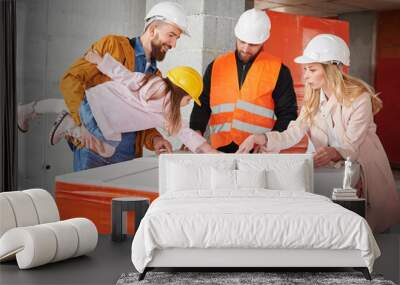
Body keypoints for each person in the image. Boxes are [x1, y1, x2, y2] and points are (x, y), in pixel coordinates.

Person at [237, 34, 400, 233]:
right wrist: (261, 137)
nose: (305, 75)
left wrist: (333, 152)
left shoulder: (359, 99)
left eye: (312, 70)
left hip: (363, 165)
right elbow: (293, 133)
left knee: (365, 229)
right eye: (306, 69)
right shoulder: (314, 98)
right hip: (333, 167)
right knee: (331, 226)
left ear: (331, 70)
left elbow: (352, 147)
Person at [18, 1, 189, 171]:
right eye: (171, 35)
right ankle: (34, 111)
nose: (174, 44)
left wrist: (155, 140)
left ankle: (32, 110)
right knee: (85, 199)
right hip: (92, 150)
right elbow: (72, 79)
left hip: (127, 157)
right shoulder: (113, 45)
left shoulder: (156, 77)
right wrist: (80, 125)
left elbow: (142, 118)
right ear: (153, 30)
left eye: (177, 38)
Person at [19, 51, 217, 157]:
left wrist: (101, 61)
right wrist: (213, 153)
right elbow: (188, 135)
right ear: (181, 93)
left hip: (98, 105)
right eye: (190, 98)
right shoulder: (163, 106)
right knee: (107, 148)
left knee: (63, 106)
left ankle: (28, 110)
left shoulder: (151, 86)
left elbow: (124, 75)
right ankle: (71, 127)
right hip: (101, 113)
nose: (189, 103)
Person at [189, 8, 298, 153]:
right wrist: (195, 132)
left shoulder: (279, 70)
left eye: (253, 45)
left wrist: (268, 140)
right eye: (242, 42)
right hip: (219, 151)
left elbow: (288, 114)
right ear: (236, 36)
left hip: (257, 152)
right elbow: (201, 104)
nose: (246, 49)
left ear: (263, 41)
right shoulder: (216, 66)